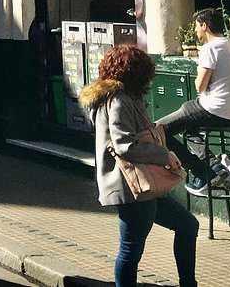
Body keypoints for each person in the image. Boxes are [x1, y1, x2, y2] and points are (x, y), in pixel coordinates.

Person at [81, 45, 197, 287]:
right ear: (136, 73)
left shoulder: (122, 97)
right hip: (132, 187)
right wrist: (163, 154)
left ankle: (188, 284)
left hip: (143, 186)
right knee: (130, 251)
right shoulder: (119, 100)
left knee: (187, 225)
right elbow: (125, 145)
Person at [156, 8, 230, 189]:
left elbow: (200, 86)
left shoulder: (210, 48)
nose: (196, 32)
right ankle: (213, 165)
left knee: (157, 130)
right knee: (188, 128)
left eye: (197, 27)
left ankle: (202, 172)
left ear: (204, 26)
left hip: (212, 109)